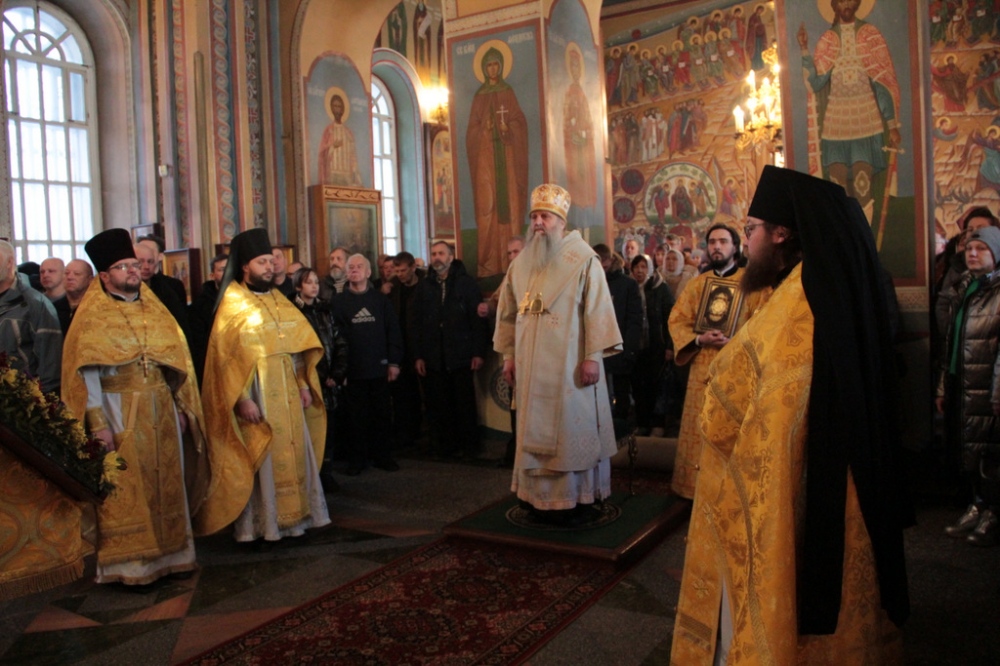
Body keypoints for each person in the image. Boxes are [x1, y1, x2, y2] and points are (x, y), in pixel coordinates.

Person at [671, 165, 911, 664]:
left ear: (781, 233)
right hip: (840, 472)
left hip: (797, 479)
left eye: (752, 229)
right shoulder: (819, 285)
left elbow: (732, 408)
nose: (747, 240)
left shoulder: (797, 301)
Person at [62, 228, 208, 585]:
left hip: (161, 408)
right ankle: (132, 568)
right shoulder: (91, 317)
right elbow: (87, 375)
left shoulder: (154, 310)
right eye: (123, 266)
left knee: (165, 483)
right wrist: (98, 424)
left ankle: (175, 556)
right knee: (129, 487)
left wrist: (180, 406)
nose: (132, 271)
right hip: (119, 409)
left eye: (133, 265)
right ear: (104, 275)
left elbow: (173, 364)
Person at [494, 184, 622, 527]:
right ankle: (536, 499)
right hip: (530, 370)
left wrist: (593, 356)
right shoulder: (521, 264)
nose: (538, 222)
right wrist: (508, 355)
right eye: (534, 216)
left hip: (570, 367)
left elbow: (598, 311)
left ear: (561, 222)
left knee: (570, 434)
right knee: (532, 431)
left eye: (546, 216)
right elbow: (508, 314)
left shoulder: (583, 260)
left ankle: (576, 500)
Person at [195, 228, 330, 543]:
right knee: (263, 459)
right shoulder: (232, 303)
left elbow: (296, 349)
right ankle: (263, 526)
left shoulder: (279, 300)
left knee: (294, 453)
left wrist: (303, 384)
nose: (270, 267)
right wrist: (242, 399)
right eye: (262, 262)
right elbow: (224, 360)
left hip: (288, 391)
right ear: (245, 266)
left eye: (271, 261)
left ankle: (296, 521)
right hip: (257, 392)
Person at [667, 223, 756, 499]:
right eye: (713, 242)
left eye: (723, 241)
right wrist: (699, 339)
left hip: (737, 368)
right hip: (702, 366)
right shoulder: (697, 284)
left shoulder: (752, 283)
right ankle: (693, 489)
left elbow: (763, 323)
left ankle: (729, 492)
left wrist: (737, 341)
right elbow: (677, 320)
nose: (717, 246)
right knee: (700, 428)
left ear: (735, 247)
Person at [798, 0, 902, 224]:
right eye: (841, 1)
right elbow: (815, 84)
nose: (846, 4)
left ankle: (864, 239)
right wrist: (804, 49)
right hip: (836, 121)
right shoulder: (828, 39)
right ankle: (844, 239)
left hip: (866, 119)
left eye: (849, 0)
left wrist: (892, 125)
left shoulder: (870, 35)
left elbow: (883, 83)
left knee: (863, 183)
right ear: (835, 6)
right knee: (838, 185)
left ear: (856, 4)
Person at [936, 225, 1000, 547]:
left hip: (987, 384)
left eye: (981, 249)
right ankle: (978, 505)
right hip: (961, 380)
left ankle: (993, 512)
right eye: (969, 248)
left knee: (991, 451)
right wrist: (943, 386)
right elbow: (952, 339)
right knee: (970, 449)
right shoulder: (964, 286)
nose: (972, 254)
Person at [414, 241, 488, 459]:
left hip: (461, 353)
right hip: (433, 356)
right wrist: (418, 355)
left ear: (450, 257)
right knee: (439, 404)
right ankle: (444, 445)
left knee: (464, 403)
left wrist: (478, 352)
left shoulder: (466, 283)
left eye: (441, 253)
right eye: (433, 254)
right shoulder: (425, 286)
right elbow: (416, 323)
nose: (436, 257)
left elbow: (478, 320)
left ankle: (469, 447)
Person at [331, 254, 403, 476]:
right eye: (351, 267)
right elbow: (335, 338)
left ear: (369, 272)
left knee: (381, 415)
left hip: (379, 368)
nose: (354, 270)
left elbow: (392, 331)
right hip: (352, 371)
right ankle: (357, 460)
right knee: (355, 418)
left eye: (359, 266)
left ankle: (383, 456)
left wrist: (394, 362)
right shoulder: (338, 302)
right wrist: (339, 370)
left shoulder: (380, 300)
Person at [466, 46, 529, 276]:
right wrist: (485, 128)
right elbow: (471, 131)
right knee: (487, 206)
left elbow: (519, 121)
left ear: (500, 67)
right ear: (484, 69)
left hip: (507, 158)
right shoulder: (479, 96)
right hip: (486, 160)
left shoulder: (508, 92)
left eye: (495, 64)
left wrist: (507, 127)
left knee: (509, 204)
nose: (492, 69)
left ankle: (513, 264)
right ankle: (490, 263)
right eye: (489, 65)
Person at [292, 266, 349, 493]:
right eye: (309, 282)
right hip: (307, 380)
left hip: (329, 380)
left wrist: (337, 373)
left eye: (316, 282)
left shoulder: (326, 309)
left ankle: (326, 472)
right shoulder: (292, 312)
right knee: (308, 429)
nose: (314, 286)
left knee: (329, 428)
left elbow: (339, 342)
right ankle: (308, 474)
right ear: (298, 286)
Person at [0, 241, 63, 394]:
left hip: (20, 398)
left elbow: (50, 363)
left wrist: (39, 400)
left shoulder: (35, 304)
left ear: (9, 262)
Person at [593, 244, 642, 421]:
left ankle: (622, 431)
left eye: (604, 261)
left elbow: (634, 319)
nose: (601, 266)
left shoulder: (627, 284)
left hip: (620, 348)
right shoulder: (591, 283)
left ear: (610, 260)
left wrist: (629, 350)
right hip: (596, 350)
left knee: (621, 395)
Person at [630, 254, 674, 436]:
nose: (640, 271)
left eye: (643, 267)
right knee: (638, 386)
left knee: (656, 385)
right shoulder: (630, 287)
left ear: (649, 268)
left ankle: (657, 423)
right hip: (636, 346)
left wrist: (670, 346)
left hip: (657, 344)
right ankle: (642, 422)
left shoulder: (660, 288)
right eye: (636, 267)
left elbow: (670, 318)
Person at [188, 253, 228, 384]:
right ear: (212, 275)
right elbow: (199, 345)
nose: (227, 273)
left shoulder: (246, 299)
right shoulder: (201, 305)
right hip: (215, 366)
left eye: (230, 268)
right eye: (222, 270)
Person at [318, 93, 362, 186]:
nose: (337, 109)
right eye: (335, 106)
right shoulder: (329, 130)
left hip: (347, 174)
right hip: (333, 173)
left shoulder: (348, 132)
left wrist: (355, 171)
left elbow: (353, 154)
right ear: (331, 109)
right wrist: (332, 146)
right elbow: (322, 153)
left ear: (343, 109)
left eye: (339, 106)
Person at [39, 257, 72, 333]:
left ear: (64, 273)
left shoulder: (73, 302)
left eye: (51, 271)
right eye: (42, 272)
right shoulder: (35, 301)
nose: (45, 275)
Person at [62, 259, 93, 332]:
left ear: (90, 280)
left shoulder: (96, 308)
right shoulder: (53, 308)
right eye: (66, 273)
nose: (69, 277)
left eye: (77, 274)